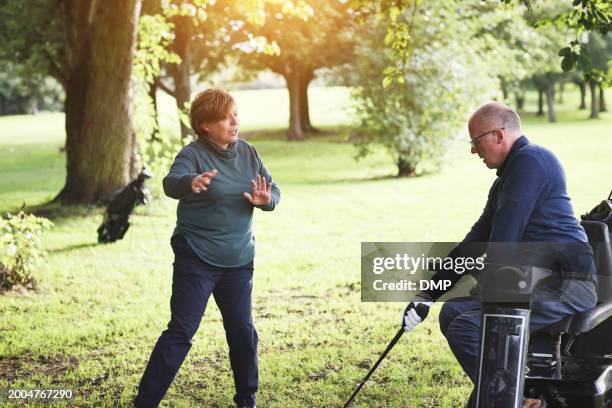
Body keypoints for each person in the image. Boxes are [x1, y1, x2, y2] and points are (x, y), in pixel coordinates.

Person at [400, 102, 597, 408]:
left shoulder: (532, 162)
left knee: (468, 326)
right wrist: (427, 295)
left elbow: (504, 244)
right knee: (453, 313)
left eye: (476, 143)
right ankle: (512, 398)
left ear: (498, 135)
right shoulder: (505, 181)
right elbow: (474, 243)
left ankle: (510, 401)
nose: (474, 152)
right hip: (534, 282)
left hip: (567, 284)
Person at [134, 88, 280, 408]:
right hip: (197, 257)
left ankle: (247, 397)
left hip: (238, 259)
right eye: (225, 117)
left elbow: (274, 191)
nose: (234, 121)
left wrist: (265, 200)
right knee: (181, 331)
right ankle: (144, 403)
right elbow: (171, 182)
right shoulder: (193, 154)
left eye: (235, 114)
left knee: (242, 330)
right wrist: (191, 183)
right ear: (205, 125)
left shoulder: (248, 153)